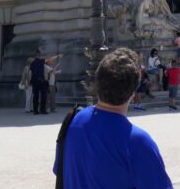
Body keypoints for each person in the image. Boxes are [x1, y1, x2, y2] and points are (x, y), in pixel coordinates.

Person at [53, 47, 173, 188]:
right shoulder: (138, 142)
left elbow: (60, 171)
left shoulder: (73, 120)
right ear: (133, 92)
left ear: (97, 82)